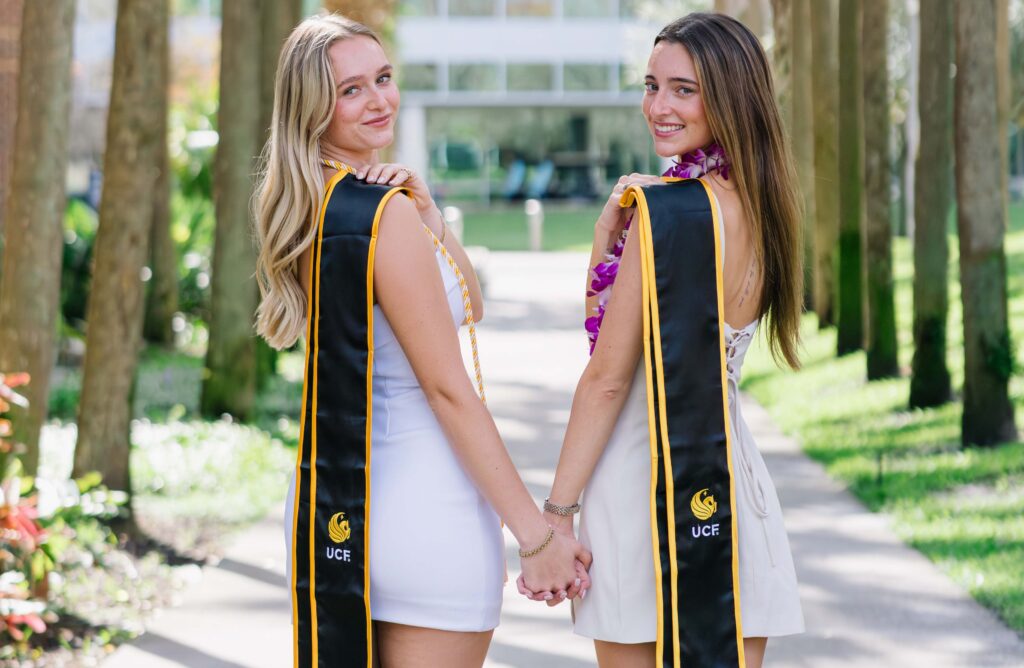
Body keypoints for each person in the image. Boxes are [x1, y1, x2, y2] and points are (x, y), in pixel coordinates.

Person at [253, 14, 589, 668]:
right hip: (427, 512)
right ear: (313, 107)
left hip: (337, 507)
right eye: (351, 90)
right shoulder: (384, 218)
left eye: (382, 78)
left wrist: (430, 212)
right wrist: (534, 534)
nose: (379, 99)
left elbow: (470, 302)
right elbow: (447, 389)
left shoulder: (316, 205)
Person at [525, 13, 805, 668]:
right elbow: (622, 340)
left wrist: (556, 518)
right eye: (652, 86)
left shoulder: (670, 214)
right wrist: (606, 239)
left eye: (684, 89)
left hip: (643, 492)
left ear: (730, 97)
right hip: (734, 491)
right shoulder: (762, 206)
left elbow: (608, 377)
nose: (658, 106)